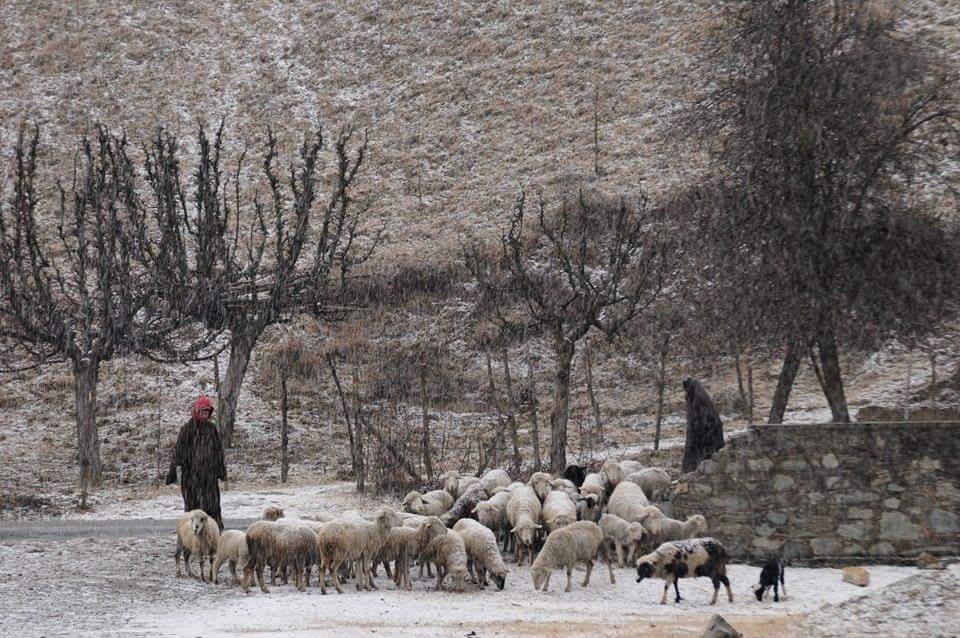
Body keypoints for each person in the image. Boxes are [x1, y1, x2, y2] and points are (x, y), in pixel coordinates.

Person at [166, 396, 227, 529]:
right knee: (192, 512)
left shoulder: (212, 429)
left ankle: (214, 537)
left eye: (207, 412)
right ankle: (189, 541)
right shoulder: (187, 430)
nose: (205, 414)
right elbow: (178, 455)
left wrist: (222, 475)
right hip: (191, 479)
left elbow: (218, 454)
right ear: (197, 411)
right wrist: (176, 478)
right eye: (202, 411)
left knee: (212, 509)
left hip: (209, 479)